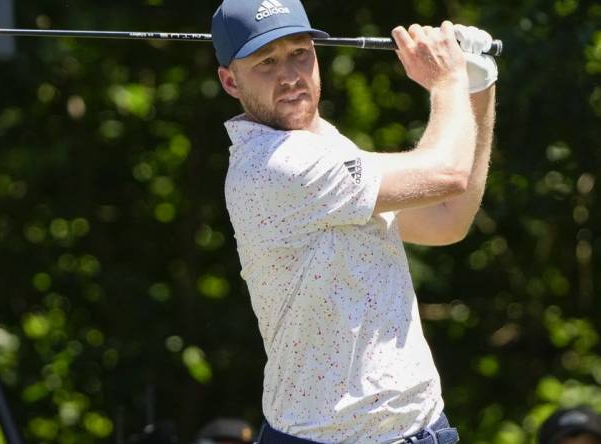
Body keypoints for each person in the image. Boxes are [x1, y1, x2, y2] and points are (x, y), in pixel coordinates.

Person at [210, 0, 497, 442]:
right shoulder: (274, 166)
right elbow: (448, 173)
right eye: (266, 62)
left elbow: (446, 221)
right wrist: (448, 81)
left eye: (299, 53)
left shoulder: (328, 148)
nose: (289, 75)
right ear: (230, 81)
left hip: (423, 430)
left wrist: (477, 86)